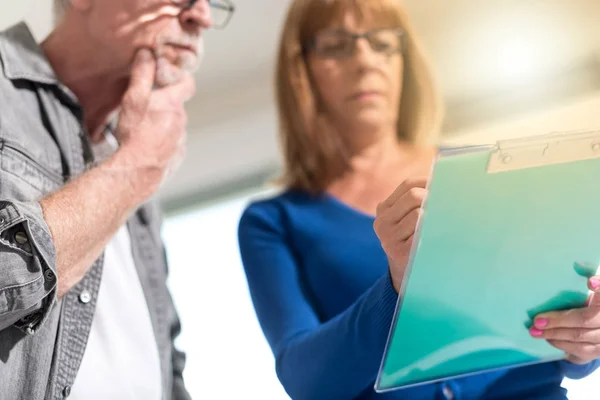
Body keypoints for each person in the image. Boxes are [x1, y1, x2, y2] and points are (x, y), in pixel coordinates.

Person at [237, 0, 600, 399]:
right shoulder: (273, 221)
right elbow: (306, 382)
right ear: (301, 69)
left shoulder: (487, 173)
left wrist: (585, 340)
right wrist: (396, 284)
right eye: (336, 45)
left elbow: (548, 325)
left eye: (381, 42)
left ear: (403, 61)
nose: (364, 61)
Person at [0, 0, 235, 399]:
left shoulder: (135, 151)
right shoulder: (141, 160)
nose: (202, 16)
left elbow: (167, 361)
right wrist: (135, 168)